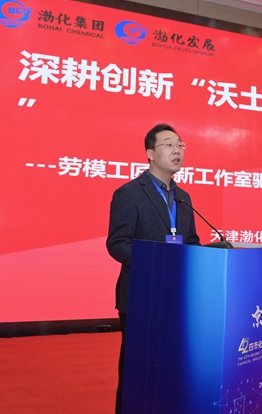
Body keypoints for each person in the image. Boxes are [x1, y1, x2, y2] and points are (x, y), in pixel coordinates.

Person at [106, 123, 200, 414]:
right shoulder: (129, 193)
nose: (177, 150)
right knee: (137, 374)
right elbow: (117, 244)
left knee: (171, 371)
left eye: (180, 144)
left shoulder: (184, 198)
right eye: (169, 144)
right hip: (142, 298)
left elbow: (192, 241)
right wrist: (158, 259)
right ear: (150, 153)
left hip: (177, 299)